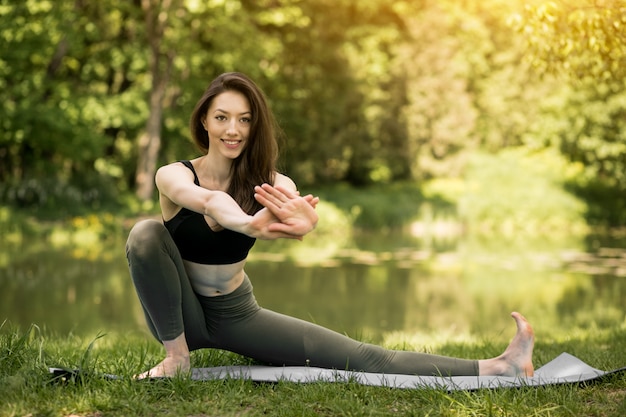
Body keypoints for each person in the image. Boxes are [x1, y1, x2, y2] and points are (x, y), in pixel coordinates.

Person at [126, 72, 534, 379]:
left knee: (365, 357)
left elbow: (297, 210)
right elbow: (211, 201)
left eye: (245, 120)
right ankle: (177, 358)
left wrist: (305, 219)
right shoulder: (173, 175)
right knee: (145, 233)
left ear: (254, 127)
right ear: (204, 123)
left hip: (235, 313)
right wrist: (250, 224)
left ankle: (499, 366)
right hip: (177, 312)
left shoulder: (270, 181)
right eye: (222, 118)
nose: (233, 130)